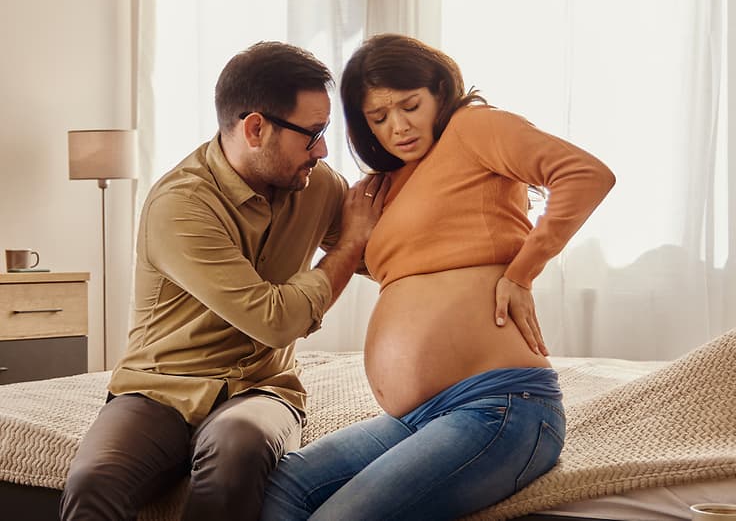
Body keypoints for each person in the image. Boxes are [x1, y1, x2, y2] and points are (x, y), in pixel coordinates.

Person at [259, 33, 616, 521]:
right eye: (378, 118)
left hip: (500, 405)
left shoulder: (474, 127)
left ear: (441, 93)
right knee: (284, 486)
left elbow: (585, 173)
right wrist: (356, 233)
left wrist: (522, 273)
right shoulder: (390, 183)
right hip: (417, 419)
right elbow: (412, 269)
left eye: (410, 106)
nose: (398, 127)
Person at [60, 41, 389, 521]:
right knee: (93, 482)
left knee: (239, 448)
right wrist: (349, 246)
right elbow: (275, 321)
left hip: (262, 387)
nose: (322, 149)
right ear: (255, 128)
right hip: (160, 388)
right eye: (312, 133)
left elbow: (374, 255)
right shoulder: (181, 204)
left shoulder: (316, 184)